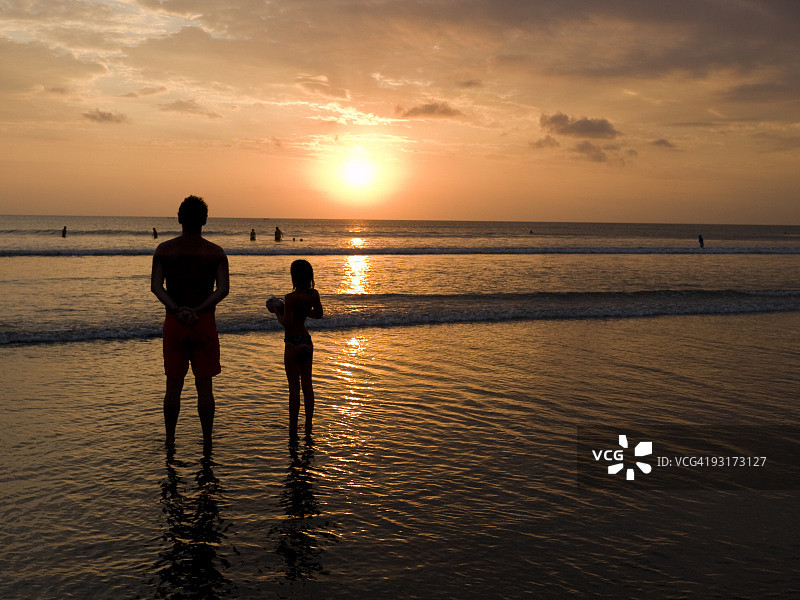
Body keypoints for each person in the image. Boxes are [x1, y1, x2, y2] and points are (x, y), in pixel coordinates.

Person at [151, 195, 229, 450]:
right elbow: (222, 289)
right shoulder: (215, 252)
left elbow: (156, 287)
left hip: (175, 323)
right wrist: (197, 310)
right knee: (204, 386)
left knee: (173, 385)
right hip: (203, 322)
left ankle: (170, 439)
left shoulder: (164, 250)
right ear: (204, 220)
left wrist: (177, 310)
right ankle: (207, 440)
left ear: (179, 219)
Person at [267, 259, 323, 439]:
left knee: (294, 388)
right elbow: (319, 314)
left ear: (294, 277)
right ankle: (308, 424)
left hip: (292, 343)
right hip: (306, 341)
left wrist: (276, 311)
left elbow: (286, 323)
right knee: (307, 385)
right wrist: (304, 312)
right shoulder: (313, 294)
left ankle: (293, 427)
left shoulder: (290, 298)